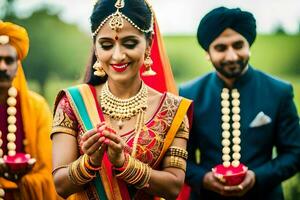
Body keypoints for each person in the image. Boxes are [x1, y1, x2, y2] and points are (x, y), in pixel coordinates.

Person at [51, 0, 192, 199]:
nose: (118, 56)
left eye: (130, 43)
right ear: (95, 47)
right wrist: (90, 161)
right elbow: (61, 186)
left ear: (149, 43)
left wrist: (123, 162)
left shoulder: (171, 110)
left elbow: (173, 187)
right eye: (107, 45)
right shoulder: (72, 103)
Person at [179, 6, 300, 200]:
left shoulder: (279, 91)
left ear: (248, 46)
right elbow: (180, 158)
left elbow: (294, 153)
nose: (232, 56)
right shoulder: (188, 94)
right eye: (220, 48)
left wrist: (257, 177)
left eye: (238, 45)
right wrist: (203, 178)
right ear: (207, 52)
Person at [0, 21, 58, 199]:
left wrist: (17, 184)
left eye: (9, 60)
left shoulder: (38, 107)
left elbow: (48, 172)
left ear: (18, 66)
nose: (2, 67)